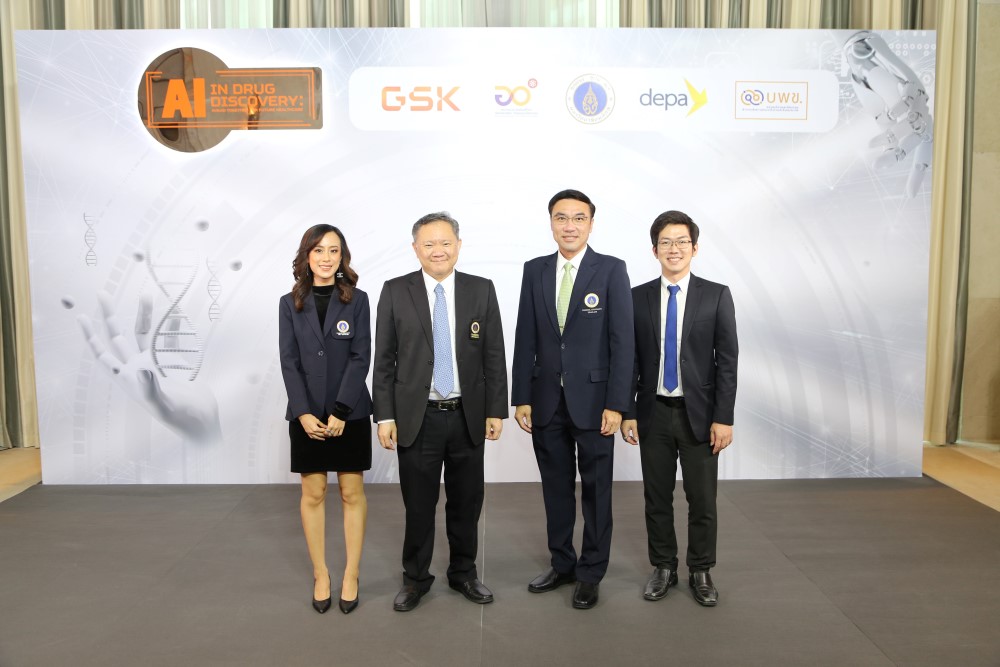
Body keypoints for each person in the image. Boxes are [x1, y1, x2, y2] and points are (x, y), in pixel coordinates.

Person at [373, 212, 508, 612]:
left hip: (467, 414)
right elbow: (384, 360)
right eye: (429, 244)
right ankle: (415, 579)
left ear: (459, 246)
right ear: (415, 248)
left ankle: (464, 573)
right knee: (418, 504)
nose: (438, 251)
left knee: (467, 502)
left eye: (446, 243)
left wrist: (495, 409)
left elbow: (494, 354)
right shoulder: (395, 291)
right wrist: (385, 416)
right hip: (418, 417)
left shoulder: (481, 289)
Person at [511, 189, 634, 610]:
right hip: (546, 400)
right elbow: (525, 335)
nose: (569, 226)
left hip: (596, 403)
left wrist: (617, 404)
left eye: (579, 218)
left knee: (597, 493)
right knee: (555, 489)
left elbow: (623, 342)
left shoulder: (611, 269)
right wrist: (521, 397)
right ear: (551, 223)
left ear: (591, 224)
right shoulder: (535, 270)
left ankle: (591, 572)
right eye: (561, 218)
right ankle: (562, 563)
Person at [620, 211, 738, 607]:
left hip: (700, 416)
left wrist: (723, 417)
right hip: (652, 413)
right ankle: (663, 567)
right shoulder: (636, 298)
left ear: (695, 248)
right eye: (666, 242)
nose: (674, 249)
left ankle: (701, 569)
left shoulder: (716, 295)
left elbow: (728, 361)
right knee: (657, 498)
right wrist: (627, 410)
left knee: (702, 499)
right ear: (654, 250)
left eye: (682, 241)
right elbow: (629, 360)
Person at [278, 224, 372, 615]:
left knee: (351, 493)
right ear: (307, 256)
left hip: (349, 413)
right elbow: (289, 361)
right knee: (313, 494)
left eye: (334, 250)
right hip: (307, 416)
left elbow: (361, 357)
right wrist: (303, 412)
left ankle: (351, 574)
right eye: (318, 250)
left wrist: (341, 411)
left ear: (342, 257)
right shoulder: (289, 303)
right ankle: (321, 574)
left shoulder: (358, 300)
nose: (326, 258)